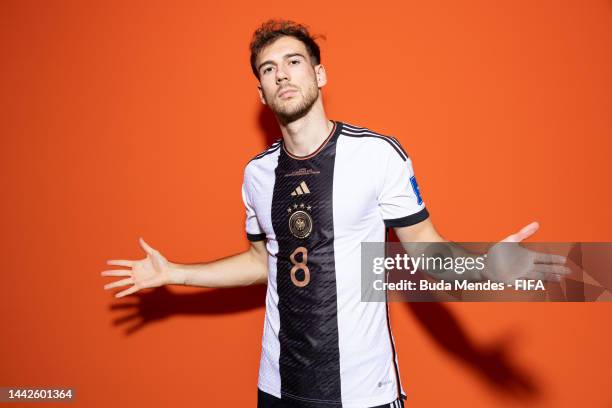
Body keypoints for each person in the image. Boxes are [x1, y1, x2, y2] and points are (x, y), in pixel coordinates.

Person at [101, 20, 570, 408]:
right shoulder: (257, 175)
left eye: (293, 62)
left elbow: (426, 249)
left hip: (362, 391)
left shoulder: (378, 155)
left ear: (319, 75)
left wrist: (482, 268)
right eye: (269, 69)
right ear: (261, 92)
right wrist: (175, 272)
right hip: (278, 388)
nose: (281, 74)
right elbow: (261, 261)